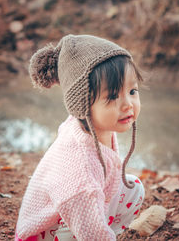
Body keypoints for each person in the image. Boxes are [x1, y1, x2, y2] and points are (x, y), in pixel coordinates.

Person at [15, 34, 145, 241]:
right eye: (112, 96)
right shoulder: (79, 172)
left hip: (82, 204)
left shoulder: (97, 128)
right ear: (83, 106)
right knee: (88, 216)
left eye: (132, 91)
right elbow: (88, 224)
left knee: (133, 187)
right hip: (45, 231)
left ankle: (111, 231)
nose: (128, 104)